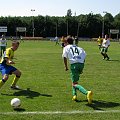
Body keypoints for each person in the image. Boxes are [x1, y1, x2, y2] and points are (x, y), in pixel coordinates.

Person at [62, 37, 93, 104]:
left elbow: (64, 57)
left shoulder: (66, 47)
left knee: (74, 84)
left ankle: (87, 92)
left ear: (67, 42)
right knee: (74, 81)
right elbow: (84, 56)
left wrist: (66, 66)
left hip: (74, 65)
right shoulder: (79, 47)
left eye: (65, 42)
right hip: (81, 64)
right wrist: (81, 67)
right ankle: (74, 95)